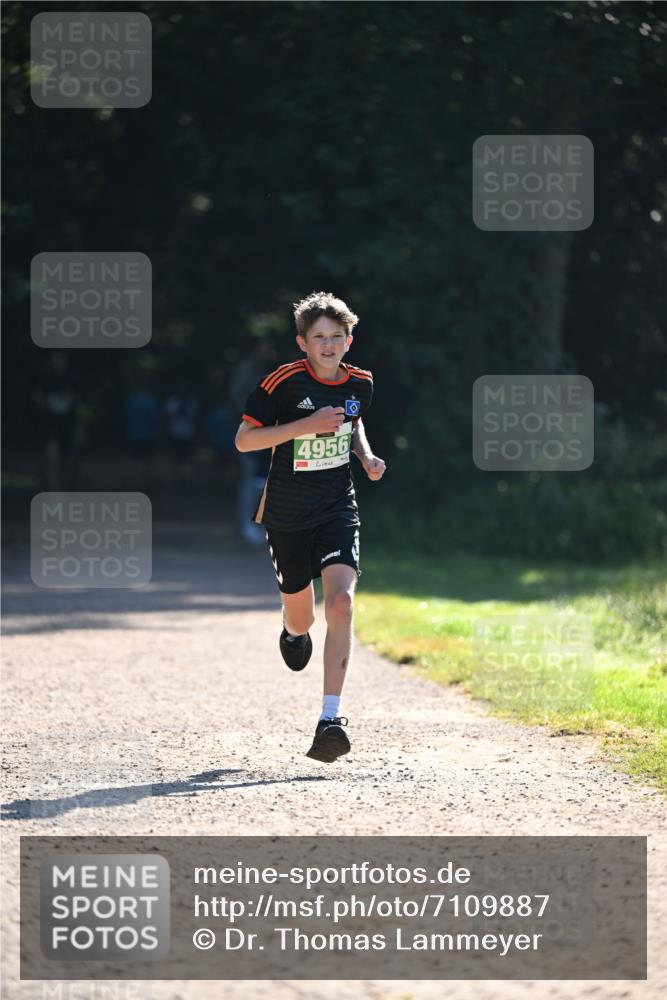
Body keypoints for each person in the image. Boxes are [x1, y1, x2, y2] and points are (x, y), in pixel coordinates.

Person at [235, 291, 386, 762]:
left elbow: (352, 423)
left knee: (341, 603)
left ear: (349, 340)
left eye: (336, 336)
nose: (328, 345)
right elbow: (245, 441)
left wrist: (365, 456)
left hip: (337, 506)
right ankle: (292, 630)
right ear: (302, 342)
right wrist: (306, 424)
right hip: (286, 515)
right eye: (318, 337)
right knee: (303, 617)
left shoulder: (360, 382)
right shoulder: (282, 383)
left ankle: (330, 719)